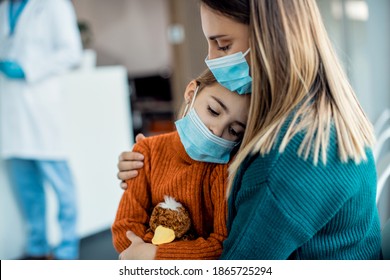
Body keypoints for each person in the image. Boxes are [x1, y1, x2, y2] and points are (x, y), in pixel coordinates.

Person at [116, 0, 382, 259]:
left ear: (270, 37)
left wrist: (157, 260)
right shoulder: (312, 114)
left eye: (222, 45)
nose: (210, 59)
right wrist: (153, 164)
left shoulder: (287, 159)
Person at [112, 69, 251, 260]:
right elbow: (125, 225)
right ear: (191, 93)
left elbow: (221, 245)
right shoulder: (147, 151)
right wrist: (145, 253)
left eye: (233, 130)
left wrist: (157, 255)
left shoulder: (224, 170)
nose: (217, 131)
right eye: (213, 111)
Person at [0, 0, 83, 259]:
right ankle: (37, 247)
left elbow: (72, 52)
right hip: (11, 112)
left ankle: (67, 250)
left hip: (41, 108)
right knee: (27, 189)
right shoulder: (4, 8)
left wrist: (28, 68)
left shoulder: (53, 4)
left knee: (61, 186)